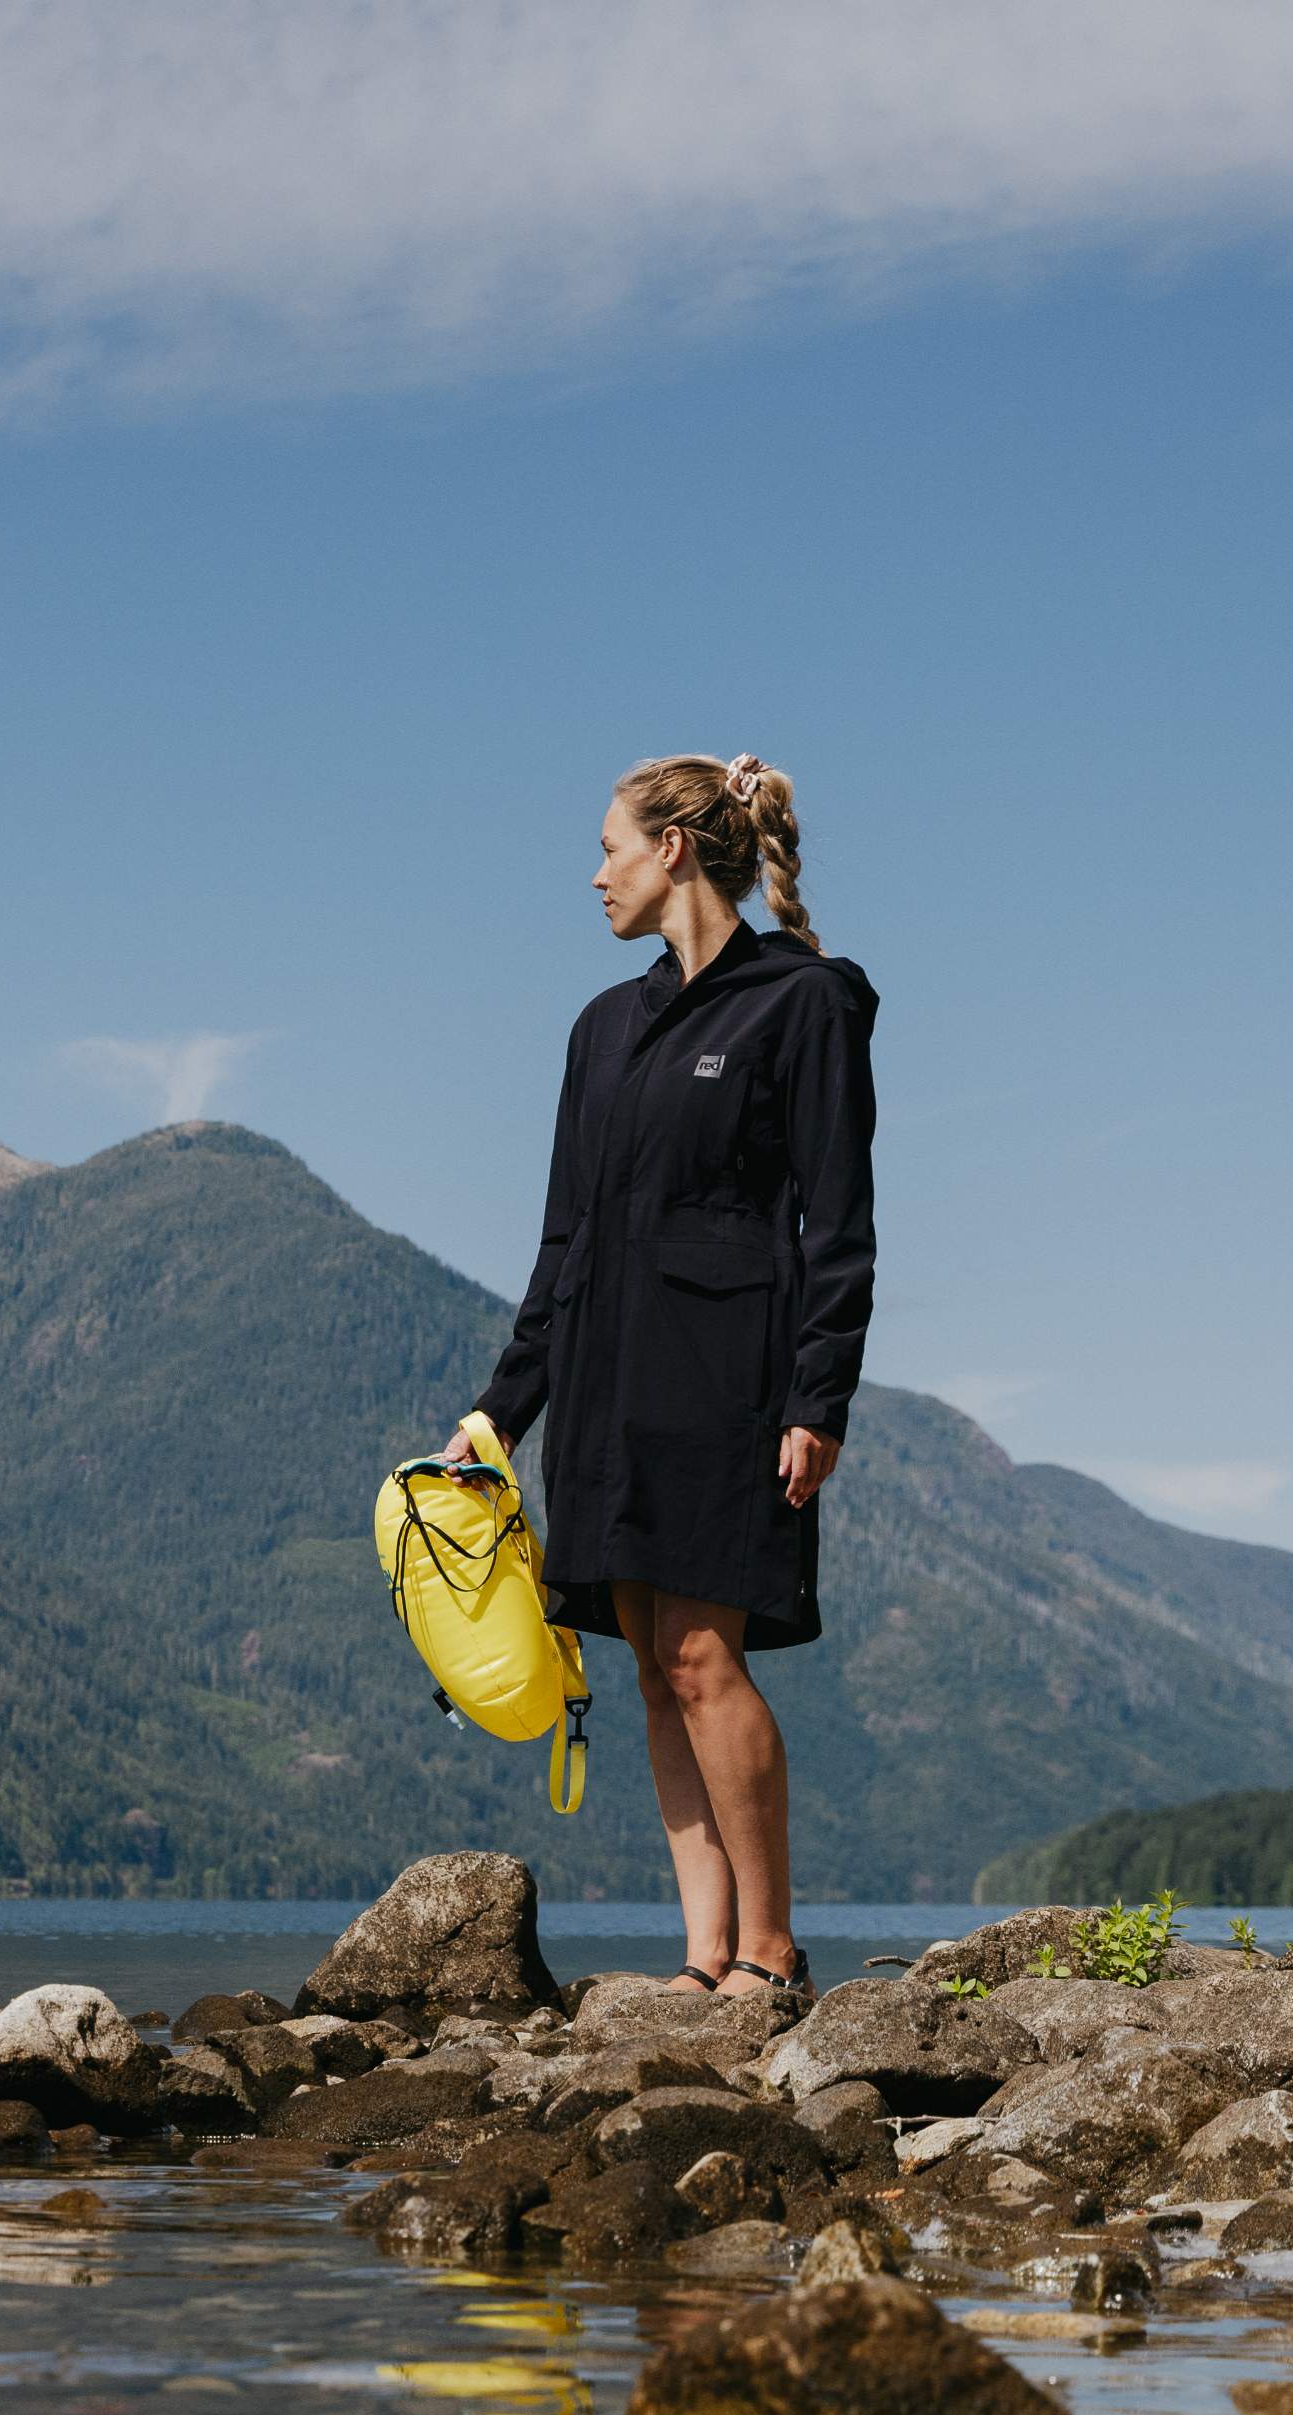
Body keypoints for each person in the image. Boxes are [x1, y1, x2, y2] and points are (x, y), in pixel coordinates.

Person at [463, 755, 878, 1998]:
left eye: (610, 847)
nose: (595, 875)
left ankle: (771, 1948)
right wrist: (500, 1411)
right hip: (604, 1386)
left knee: (704, 1656)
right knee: (651, 1666)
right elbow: (565, 1240)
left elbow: (838, 1223)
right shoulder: (600, 1028)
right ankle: (703, 1957)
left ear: (675, 849)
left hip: (726, 1381)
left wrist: (819, 1396)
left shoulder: (800, 1003)